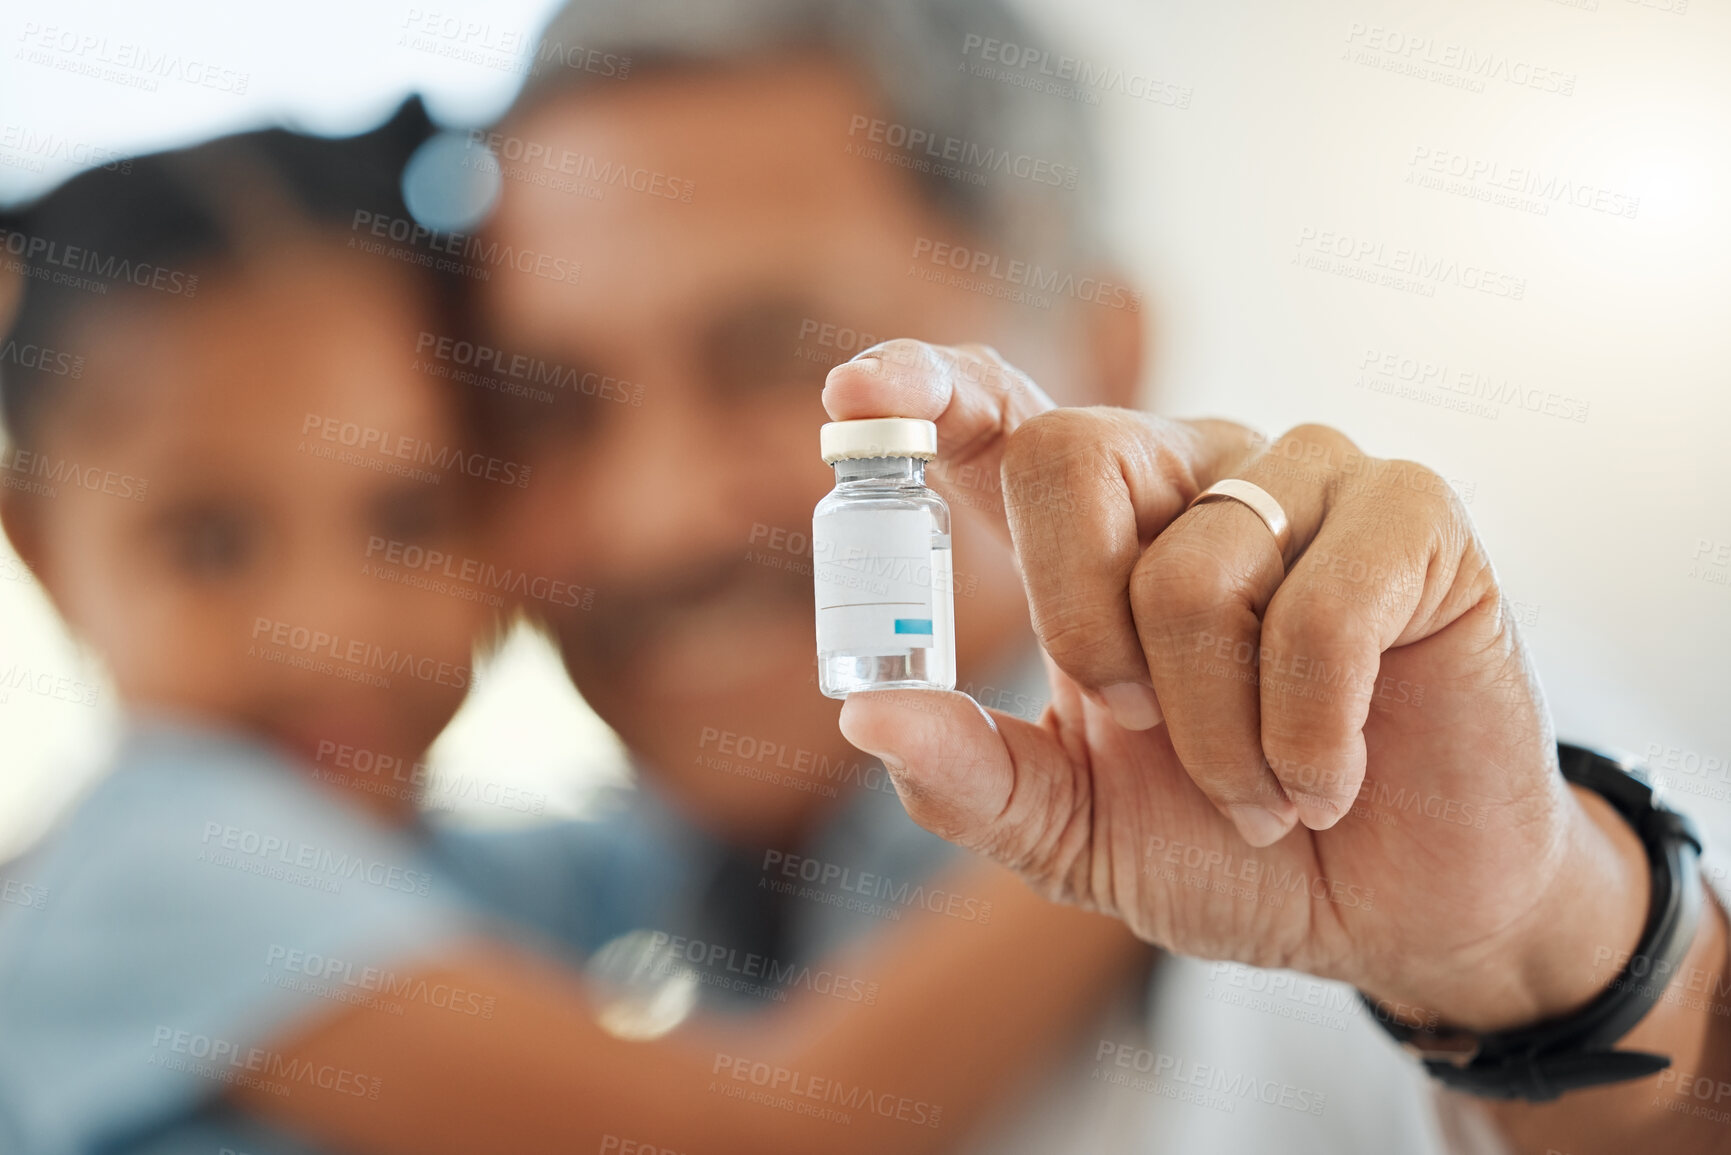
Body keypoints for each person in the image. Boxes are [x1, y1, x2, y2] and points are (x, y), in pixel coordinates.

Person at [465, 1, 1731, 1152]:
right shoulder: (570, 910)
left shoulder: (1374, 755)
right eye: (550, 407)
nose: (654, 519)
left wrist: (1532, 955)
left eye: (768, 357)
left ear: (1101, 349)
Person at [0, 102, 1148, 1154]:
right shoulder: (157, 869)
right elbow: (755, 1135)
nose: (327, 629)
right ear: (41, 547)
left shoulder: (462, 871)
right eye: (207, 543)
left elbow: (731, 845)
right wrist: (1133, 788)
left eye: (408, 517)